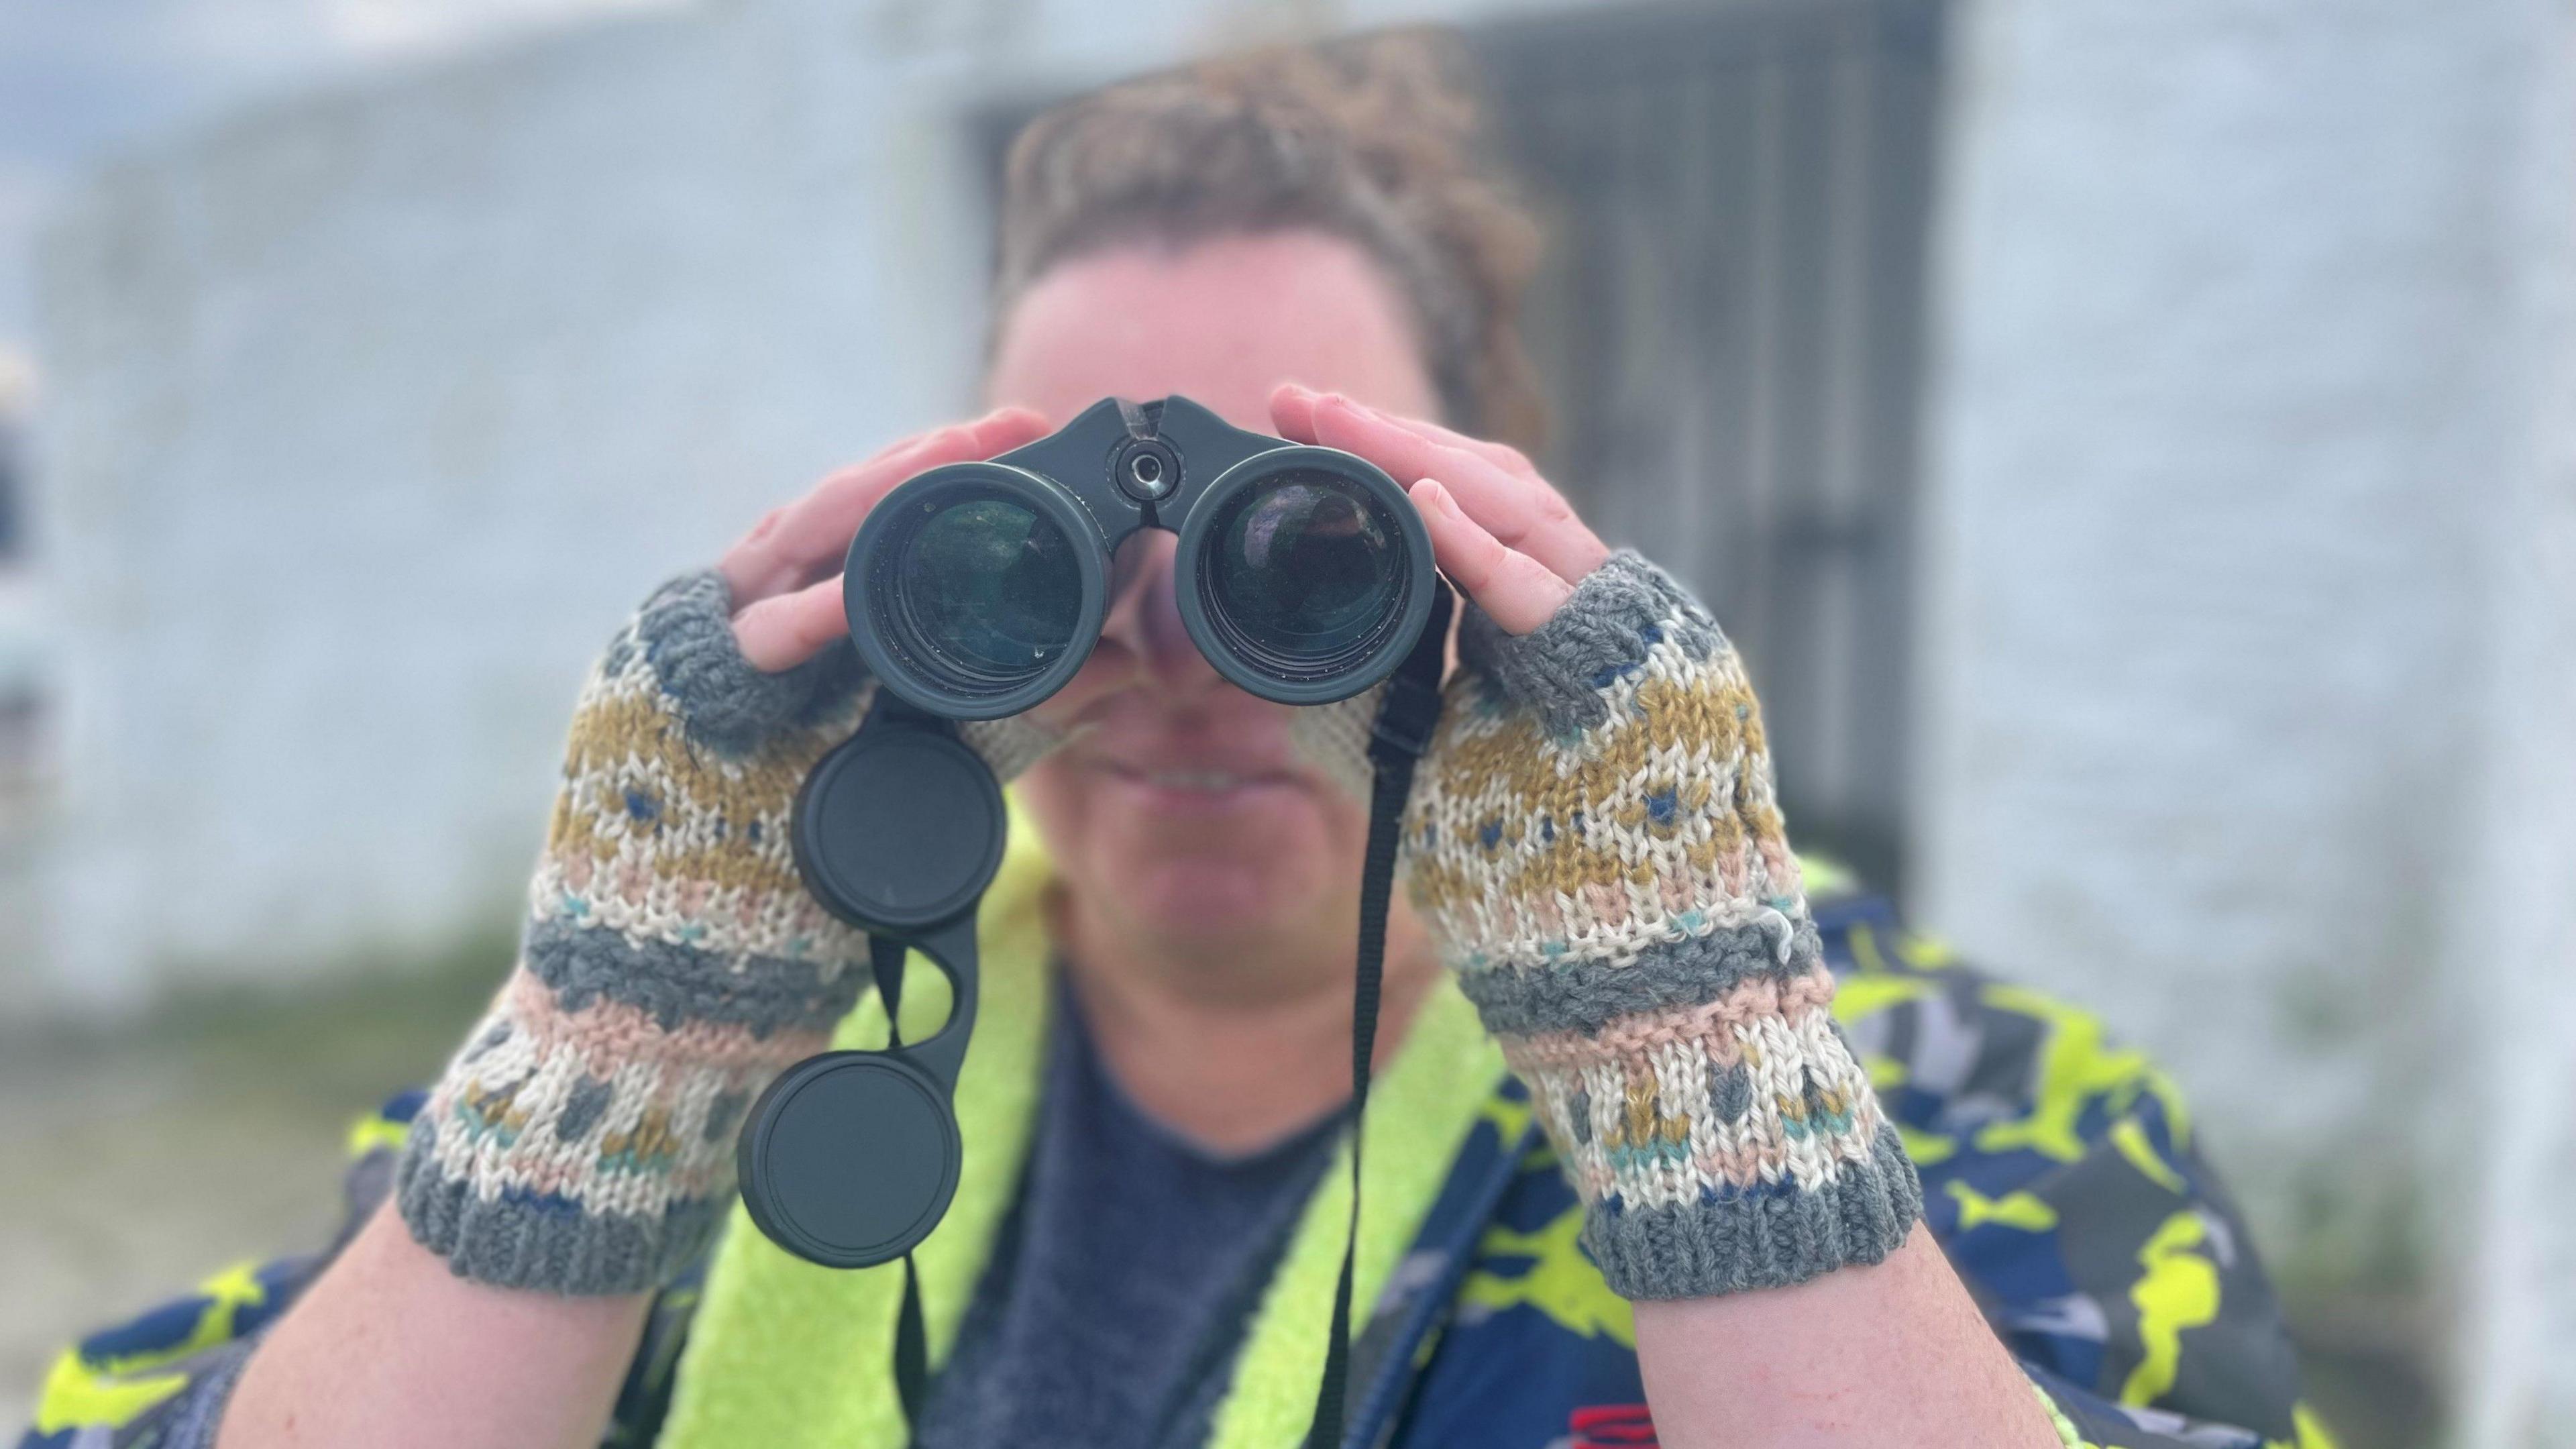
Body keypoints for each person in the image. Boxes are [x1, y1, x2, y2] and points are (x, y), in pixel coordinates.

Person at [21, 33, 2338, 1449]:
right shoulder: (728, 1066)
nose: (1175, 647)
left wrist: (1693, 1062)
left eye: (1295, 544)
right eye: (1045, 550)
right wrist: (612, 1049)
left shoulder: (1944, 1098)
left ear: (1491, 514)